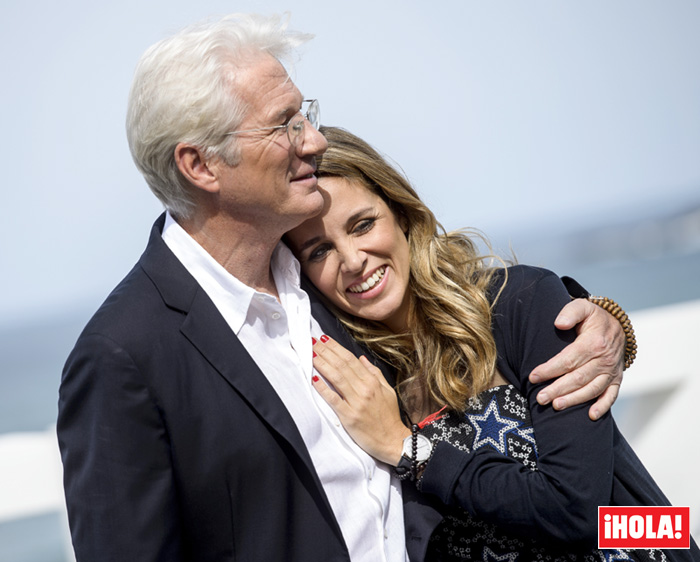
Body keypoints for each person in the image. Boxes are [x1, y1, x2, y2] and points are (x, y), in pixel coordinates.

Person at [57, 14, 629, 562]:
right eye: (284, 124)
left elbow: (610, 513)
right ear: (200, 165)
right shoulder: (123, 355)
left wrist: (606, 325)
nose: (312, 140)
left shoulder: (326, 298)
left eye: (303, 115)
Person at [285, 126, 699, 561]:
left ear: (401, 213)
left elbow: (580, 510)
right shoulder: (359, 380)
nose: (352, 260)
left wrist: (409, 450)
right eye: (319, 251)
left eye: (363, 225)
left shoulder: (516, 303)